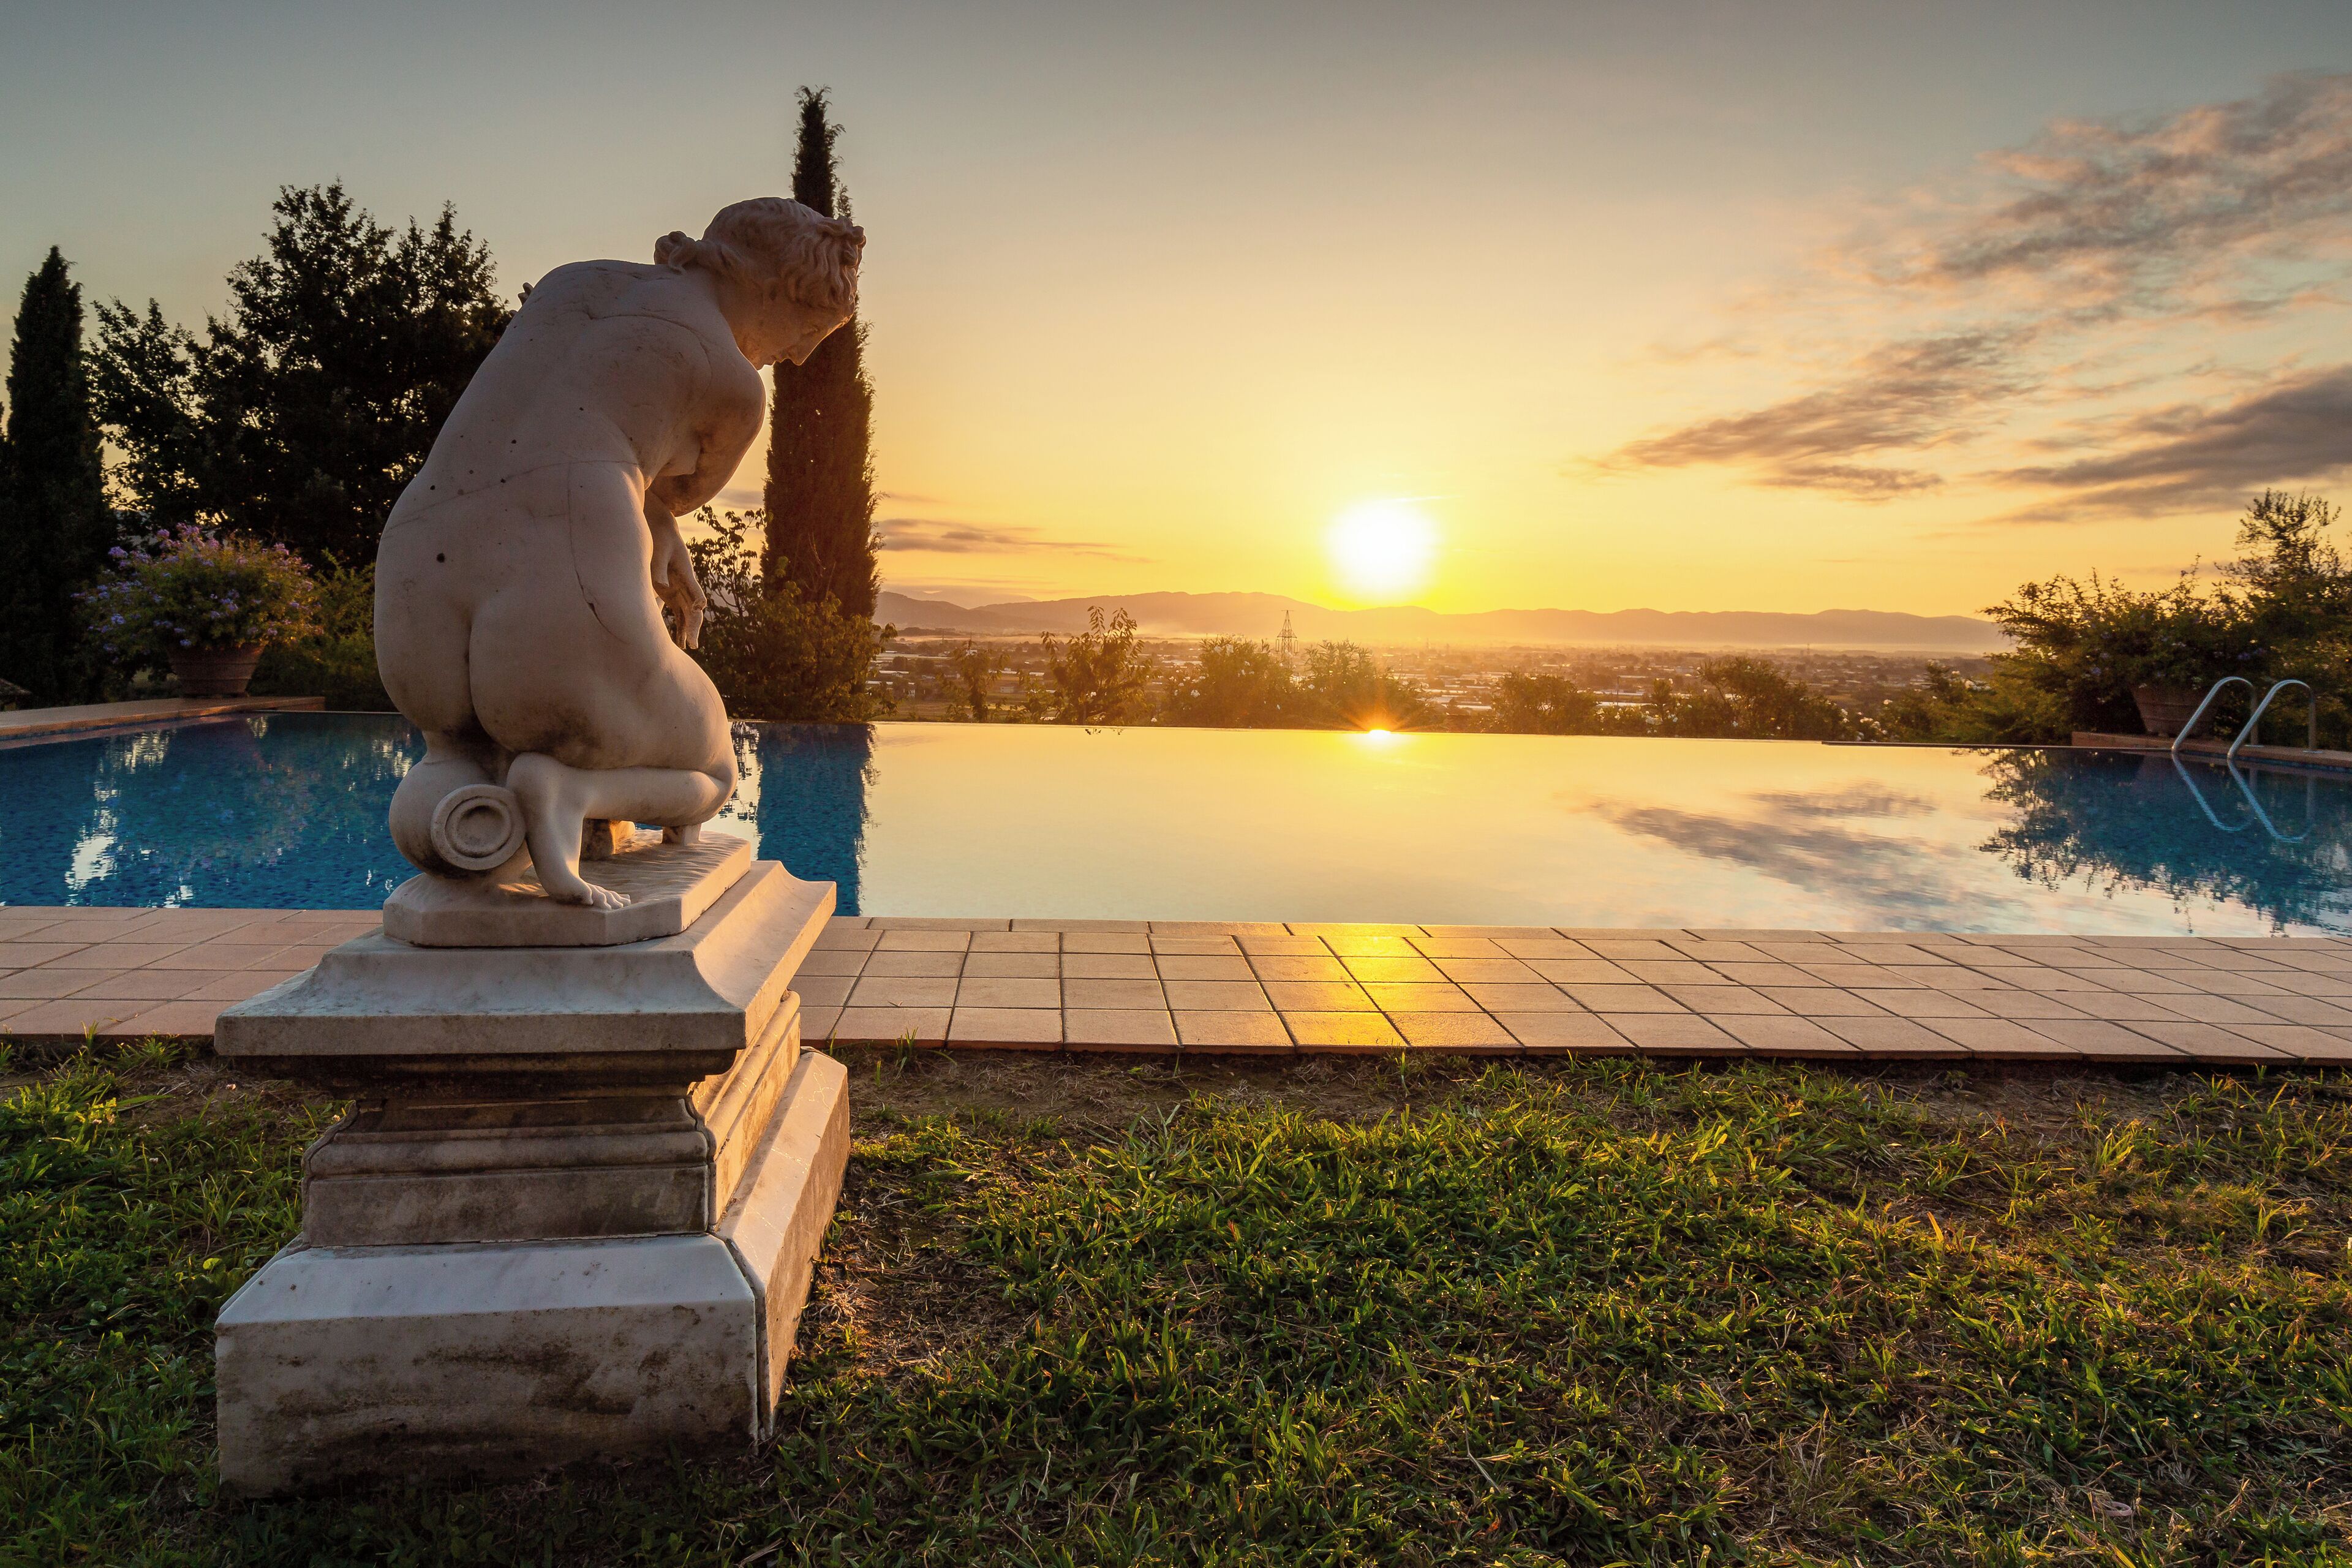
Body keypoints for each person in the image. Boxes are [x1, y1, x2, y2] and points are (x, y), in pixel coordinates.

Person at [375, 198, 863, 907]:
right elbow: (667, 485)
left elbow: (576, 432)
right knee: (718, 767)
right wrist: (660, 514)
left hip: (415, 575)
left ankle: (491, 802)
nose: (801, 354)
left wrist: (652, 518)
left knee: (459, 751)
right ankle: (571, 791)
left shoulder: (572, 283)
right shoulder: (732, 385)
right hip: (557, 596)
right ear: (773, 289)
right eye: (810, 327)